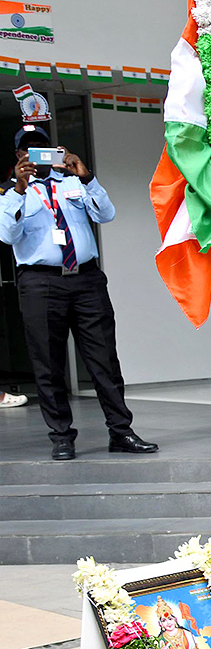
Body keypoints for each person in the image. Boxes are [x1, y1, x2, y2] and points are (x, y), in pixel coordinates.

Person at [0, 124, 157, 460]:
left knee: (104, 360)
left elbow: (106, 214)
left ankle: (121, 432)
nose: (36, 153)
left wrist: (87, 178)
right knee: (49, 363)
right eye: (29, 148)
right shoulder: (9, 190)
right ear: (18, 155)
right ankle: (61, 437)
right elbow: (7, 235)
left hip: (85, 280)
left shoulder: (72, 181)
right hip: (40, 283)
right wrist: (19, 186)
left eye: (43, 146)